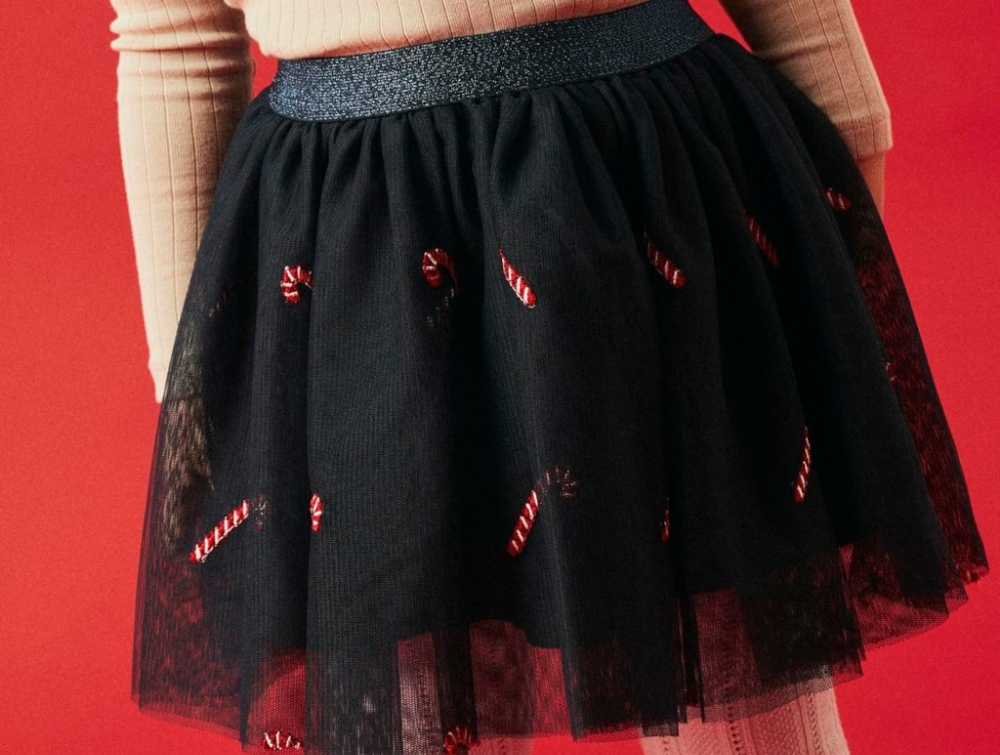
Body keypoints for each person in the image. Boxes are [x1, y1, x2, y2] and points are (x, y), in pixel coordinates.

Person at [108, 1, 989, 754]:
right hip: (361, 236)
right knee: (409, 687)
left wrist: (841, 244)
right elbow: (174, 38)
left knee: (739, 682)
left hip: (635, 190)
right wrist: (194, 385)